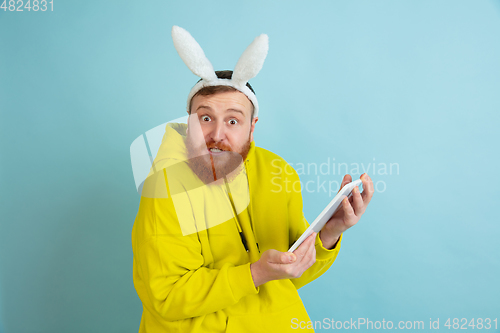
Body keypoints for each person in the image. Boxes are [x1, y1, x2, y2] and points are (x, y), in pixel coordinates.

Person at [131, 26, 374, 333]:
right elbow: (166, 296)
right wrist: (254, 274)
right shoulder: (164, 185)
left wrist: (329, 233)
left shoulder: (277, 171)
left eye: (233, 120)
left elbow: (288, 274)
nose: (217, 135)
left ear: (252, 127)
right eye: (205, 118)